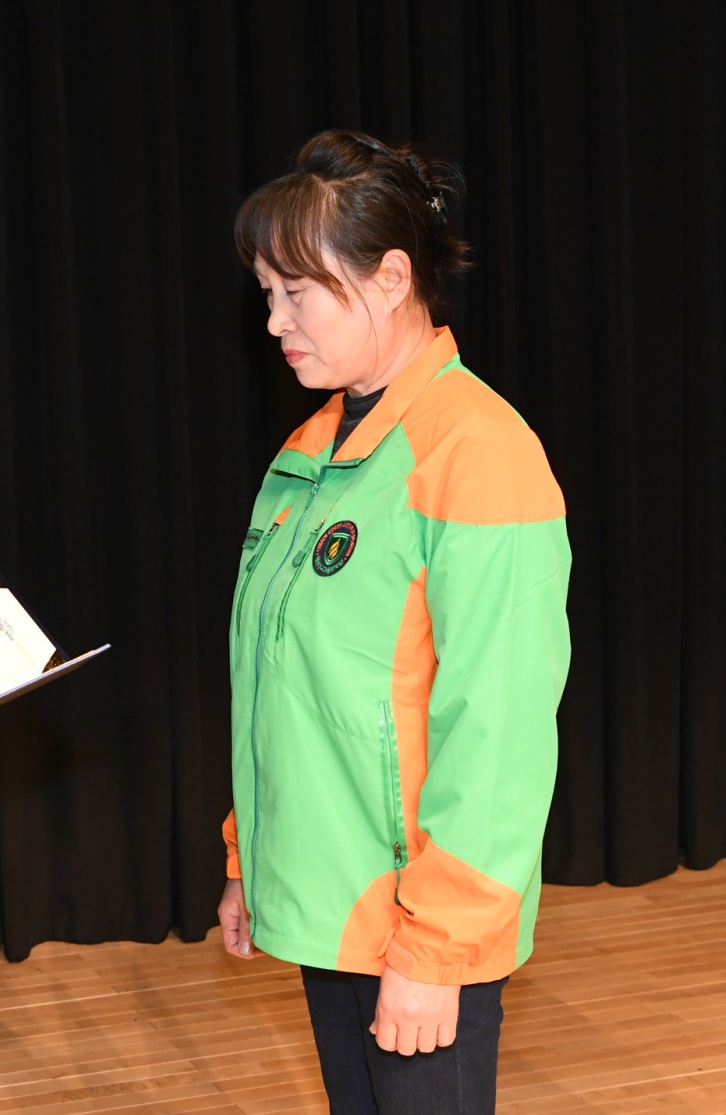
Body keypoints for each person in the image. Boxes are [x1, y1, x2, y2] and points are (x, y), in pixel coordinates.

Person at [216, 131, 570, 1113]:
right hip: (327, 906)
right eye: (266, 293)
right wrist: (251, 858)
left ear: (391, 277)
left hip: (417, 931)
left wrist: (437, 948)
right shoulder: (311, 447)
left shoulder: (480, 451)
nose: (275, 320)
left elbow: (498, 733)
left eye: (297, 291)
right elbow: (277, 685)